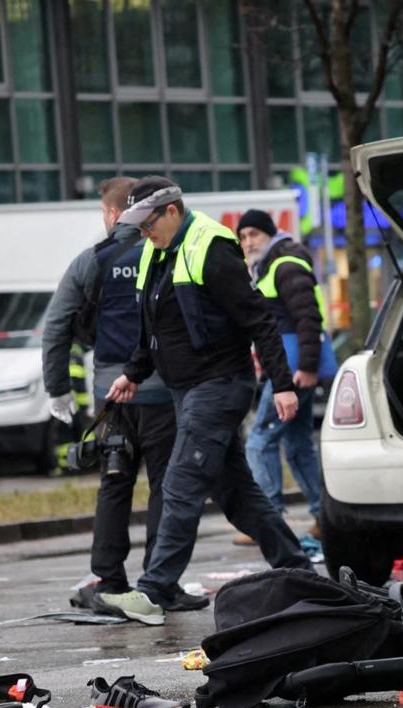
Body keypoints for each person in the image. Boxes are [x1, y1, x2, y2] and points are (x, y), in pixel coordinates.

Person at [101, 177, 313, 625]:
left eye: (148, 223)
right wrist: (132, 375)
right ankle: (301, 571)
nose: (143, 232)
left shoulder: (211, 247)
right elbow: (155, 330)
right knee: (237, 494)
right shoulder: (155, 253)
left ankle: (153, 589)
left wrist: (284, 384)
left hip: (220, 385)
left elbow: (260, 321)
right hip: (187, 391)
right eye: (136, 225)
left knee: (181, 482)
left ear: (173, 211)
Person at [40, 178, 194, 611]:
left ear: (112, 214)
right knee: (167, 486)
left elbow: (57, 325)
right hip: (166, 391)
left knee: (114, 484)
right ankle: (161, 583)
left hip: (113, 397)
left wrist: (59, 390)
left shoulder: (94, 260)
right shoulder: (167, 251)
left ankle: (108, 578)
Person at [235, 209, 330, 546]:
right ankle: (326, 517)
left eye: (254, 235)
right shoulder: (272, 264)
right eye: (243, 237)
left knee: (260, 440)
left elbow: (307, 318)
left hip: (291, 369)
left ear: (269, 234)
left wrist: (306, 366)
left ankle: (267, 519)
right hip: (291, 367)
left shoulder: (285, 264)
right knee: (298, 445)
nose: (248, 242)